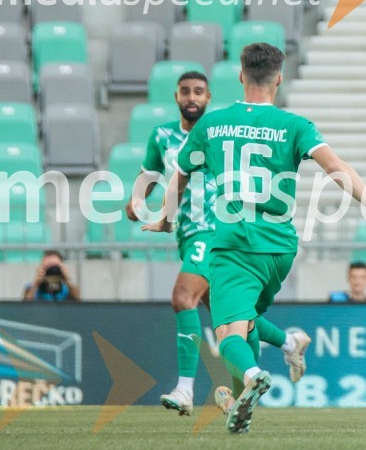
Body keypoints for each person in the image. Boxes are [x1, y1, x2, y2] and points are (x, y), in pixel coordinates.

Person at [143, 43, 366, 433]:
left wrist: (167, 219)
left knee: (228, 332)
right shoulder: (295, 125)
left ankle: (252, 376)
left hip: (233, 241)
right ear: (279, 79)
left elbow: (180, 175)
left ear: (240, 76)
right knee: (247, 320)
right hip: (281, 247)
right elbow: (336, 168)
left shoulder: (212, 124)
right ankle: (241, 407)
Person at [127, 71, 309, 418]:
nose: (191, 97)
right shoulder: (162, 136)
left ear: (209, 97)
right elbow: (150, 175)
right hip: (186, 231)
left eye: (198, 92)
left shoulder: (218, 131)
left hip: (216, 230)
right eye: (185, 92)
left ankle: (185, 389)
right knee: (236, 319)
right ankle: (288, 342)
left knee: (183, 297)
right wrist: (135, 201)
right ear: (176, 96)